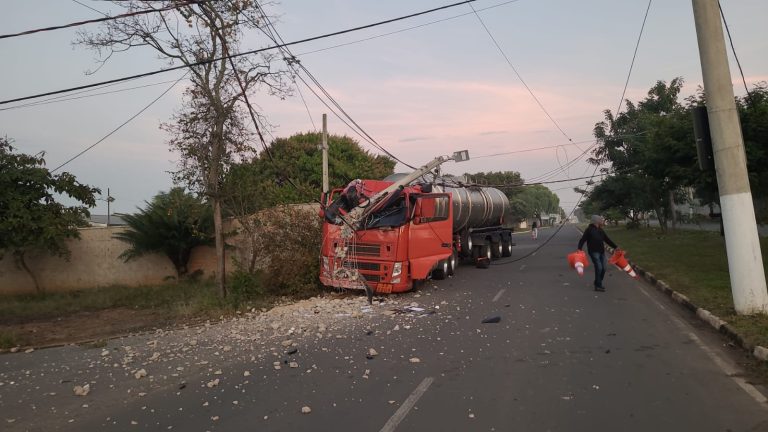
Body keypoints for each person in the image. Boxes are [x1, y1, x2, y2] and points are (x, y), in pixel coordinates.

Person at [577, 215, 618, 292]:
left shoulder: (600, 230)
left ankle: (597, 282)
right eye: (600, 219)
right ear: (596, 221)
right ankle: (598, 285)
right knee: (599, 267)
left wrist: (615, 247)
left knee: (604, 268)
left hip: (602, 251)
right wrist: (579, 249)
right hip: (593, 251)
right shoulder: (589, 230)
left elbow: (607, 239)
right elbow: (582, 240)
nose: (602, 221)